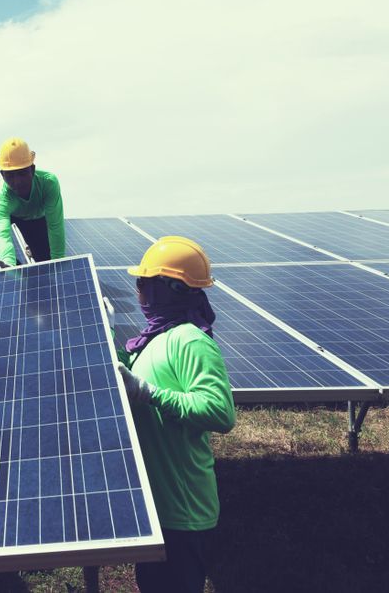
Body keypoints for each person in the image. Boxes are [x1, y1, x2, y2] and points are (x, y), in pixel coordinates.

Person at [115, 236, 236, 593]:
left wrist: (148, 393)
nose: (138, 291)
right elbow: (137, 379)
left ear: (169, 288)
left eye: (143, 282)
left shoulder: (190, 340)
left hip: (184, 513)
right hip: (158, 508)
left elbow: (220, 411)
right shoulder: (154, 338)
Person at [0, 137, 65, 268]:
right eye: (10, 175)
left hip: (34, 218)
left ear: (32, 169)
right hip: (10, 213)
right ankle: (14, 272)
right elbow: (2, 235)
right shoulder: (0, 198)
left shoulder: (48, 183)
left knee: (46, 262)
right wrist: (8, 264)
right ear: (2, 175)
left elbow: (55, 226)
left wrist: (59, 263)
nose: (17, 182)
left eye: (22, 173)